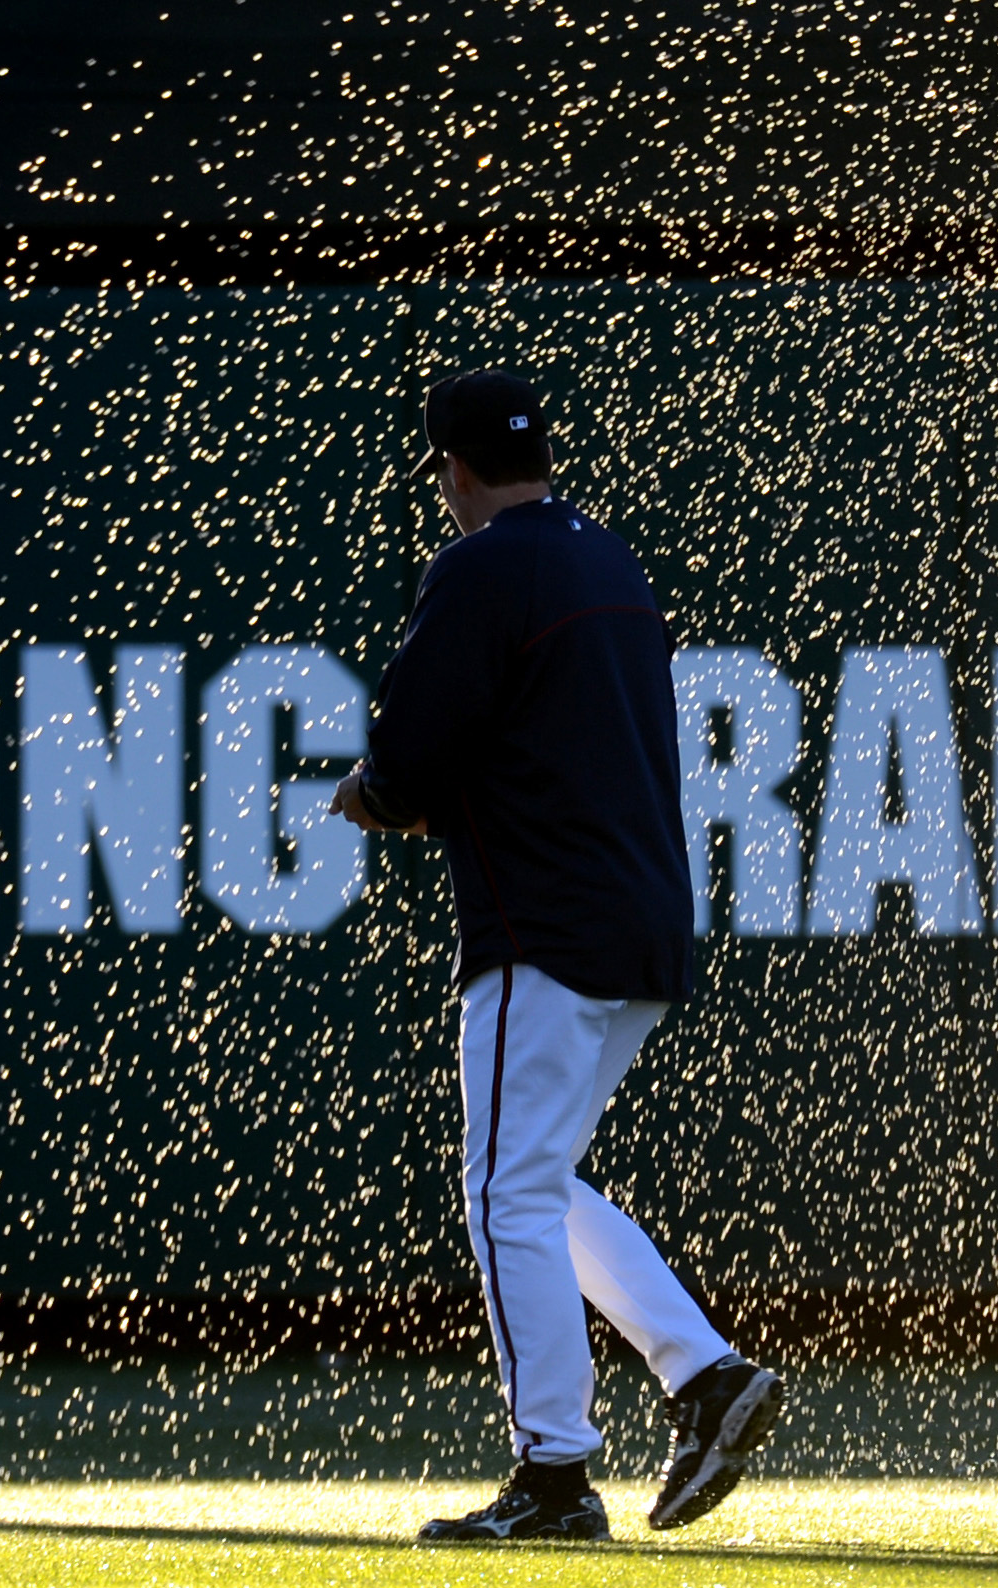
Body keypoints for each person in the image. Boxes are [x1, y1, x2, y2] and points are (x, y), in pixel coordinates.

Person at [331, 369, 783, 1543]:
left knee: (502, 1193)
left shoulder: (480, 565)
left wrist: (375, 798)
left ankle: (554, 1474)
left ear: (456, 469)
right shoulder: (608, 558)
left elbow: (410, 756)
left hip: (542, 925)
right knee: (535, 1183)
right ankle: (705, 1373)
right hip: (636, 920)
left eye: (442, 470)